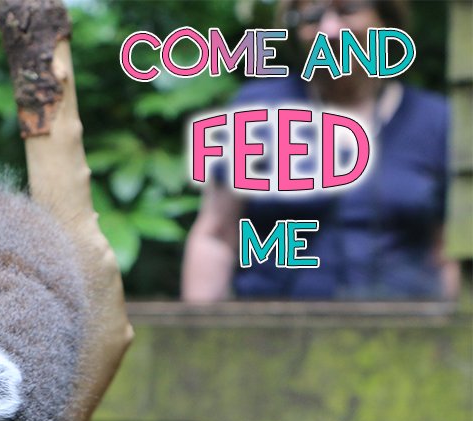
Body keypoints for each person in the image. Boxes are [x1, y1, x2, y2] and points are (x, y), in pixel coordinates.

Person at [181, 0, 459, 301]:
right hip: (272, 336)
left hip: (403, 337)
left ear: (386, 22)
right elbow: (216, 236)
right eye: (312, 17)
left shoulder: (435, 121)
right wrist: (201, 336)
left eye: (348, 11)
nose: (330, 30)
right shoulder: (258, 110)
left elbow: (446, 253)